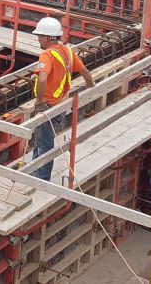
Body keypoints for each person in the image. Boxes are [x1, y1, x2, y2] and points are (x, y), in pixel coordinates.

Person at [29, 16, 95, 181]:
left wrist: (39, 102)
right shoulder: (68, 52)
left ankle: (41, 179)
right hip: (60, 104)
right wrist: (90, 86)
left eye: (39, 36)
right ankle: (34, 171)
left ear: (46, 37)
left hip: (47, 106)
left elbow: (42, 79)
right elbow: (86, 72)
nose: (38, 39)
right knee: (41, 140)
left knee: (44, 144)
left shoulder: (47, 55)